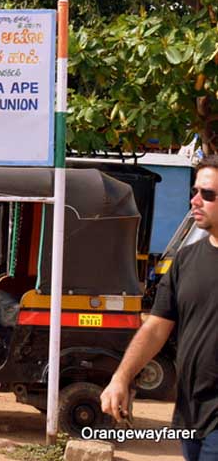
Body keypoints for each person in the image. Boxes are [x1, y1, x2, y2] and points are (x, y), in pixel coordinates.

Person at [101, 155, 218, 460]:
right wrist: (122, 377)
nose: (195, 200)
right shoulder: (186, 259)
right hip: (191, 414)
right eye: (195, 191)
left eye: (208, 194)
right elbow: (155, 328)